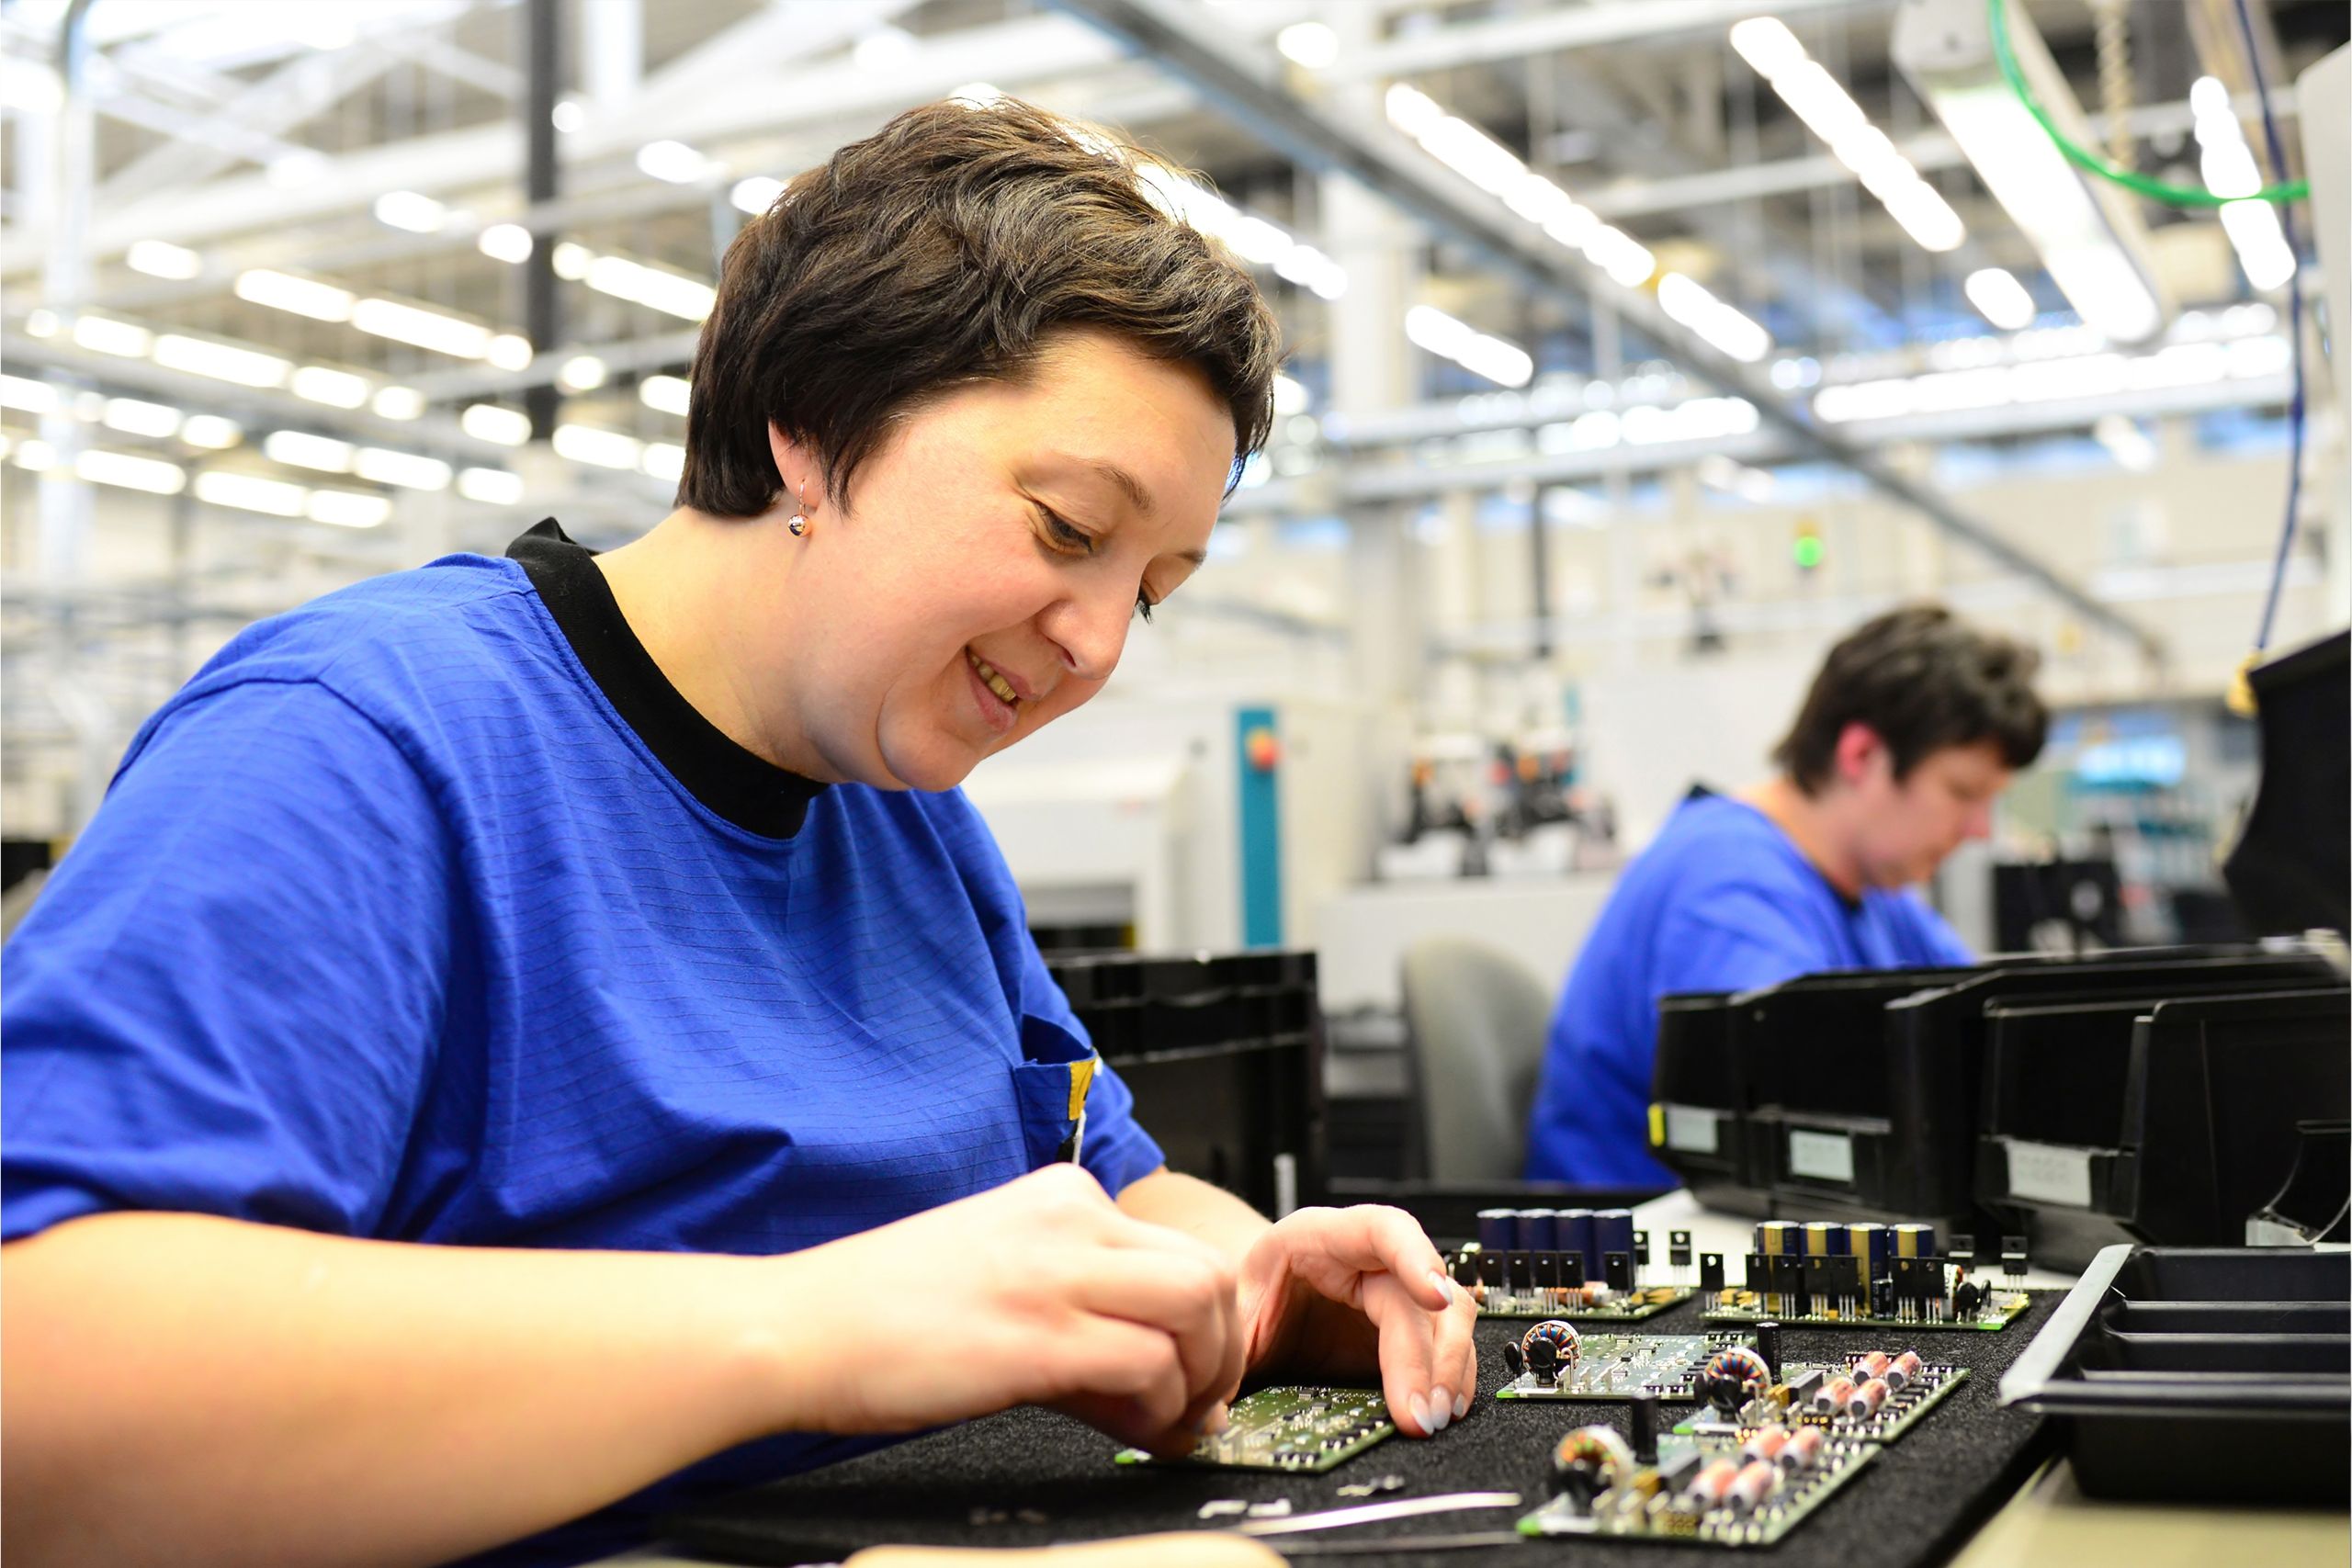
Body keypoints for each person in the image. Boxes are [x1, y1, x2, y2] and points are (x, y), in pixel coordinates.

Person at [1, 99, 1476, 1568]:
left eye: (1152, 587)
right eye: (1068, 528)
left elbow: (1113, 1190)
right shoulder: (359, 740)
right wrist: (816, 1325)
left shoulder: (909, 818)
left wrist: (1248, 1278)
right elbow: (47, 1384)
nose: (1098, 646)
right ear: (815, 430)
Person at [1523, 604, 2047, 1186]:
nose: (1979, 829)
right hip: (1637, 1245)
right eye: (1962, 792)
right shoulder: (1727, 889)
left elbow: (1989, 1030)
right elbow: (1801, 1129)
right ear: (1862, 756)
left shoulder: (1876, 891)